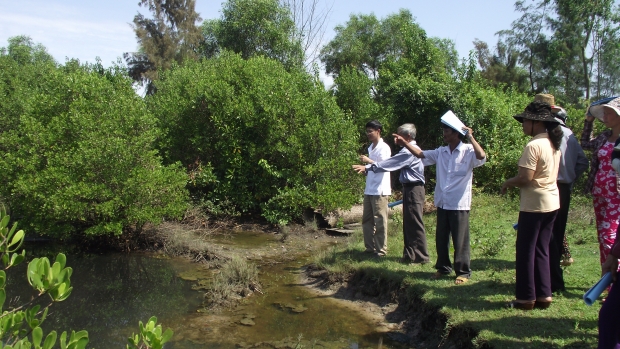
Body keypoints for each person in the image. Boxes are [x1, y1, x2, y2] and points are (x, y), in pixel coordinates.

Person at [394, 117, 486, 284]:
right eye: (444, 130)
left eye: (447, 131)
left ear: (456, 134)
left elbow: (482, 156)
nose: (444, 134)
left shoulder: (468, 150)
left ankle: (463, 272)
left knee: (460, 239)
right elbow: (420, 154)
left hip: (459, 203)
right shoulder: (441, 152)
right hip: (443, 202)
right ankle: (443, 267)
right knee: (441, 237)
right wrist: (405, 143)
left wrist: (471, 137)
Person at [501, 100, 563, 310]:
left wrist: (508, 182)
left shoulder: (534, 145)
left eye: (525, 121)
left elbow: (525, 177)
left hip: (534, 204)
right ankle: (544, 294)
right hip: (552, 201)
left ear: (537, 123)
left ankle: (525, 298)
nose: (523, 125)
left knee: (526, 249)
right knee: (542, 248)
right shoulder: (553, 144)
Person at [533, 94, 589, 293]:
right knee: (556, 233)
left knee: (545, 235)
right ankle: (553, 281)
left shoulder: (549, 133)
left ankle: (549, 282)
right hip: (564, 188)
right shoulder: (569, 134)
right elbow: (583, 162)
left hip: (549, 187)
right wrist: (570, 176)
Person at [353, 123, 429, 264]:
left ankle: (421, 257)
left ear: (407, 136)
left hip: (413, 189)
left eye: (398, 135)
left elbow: (388, 164)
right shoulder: (407, 150)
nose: (395, 137)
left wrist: (368, 167)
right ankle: (410, 256)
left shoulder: (408, 151)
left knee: (414, 222)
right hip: (408, 188)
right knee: (409, 223)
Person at [581, 97, 620, 271]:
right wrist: (588, 122)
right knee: (602, 237)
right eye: (603, 112)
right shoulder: (604, 137)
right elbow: (585, 143)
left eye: (609, 113)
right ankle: (607, 282)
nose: (605, 116)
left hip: (616, 196)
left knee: (609, 237)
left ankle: (614, 281)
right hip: (599, 193)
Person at [355, 120, 392, 257]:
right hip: (369, 188)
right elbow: (373, 169)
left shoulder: (384, 148)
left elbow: (384, 166)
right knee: (367, 220)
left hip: (380, 190)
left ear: (378, 131)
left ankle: (381, 250)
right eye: (367, 131)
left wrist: (368, 163)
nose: (368, 134)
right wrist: (365, 170)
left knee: (380, 220)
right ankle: (369, 248)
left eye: (371, 131)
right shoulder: (371, 147)